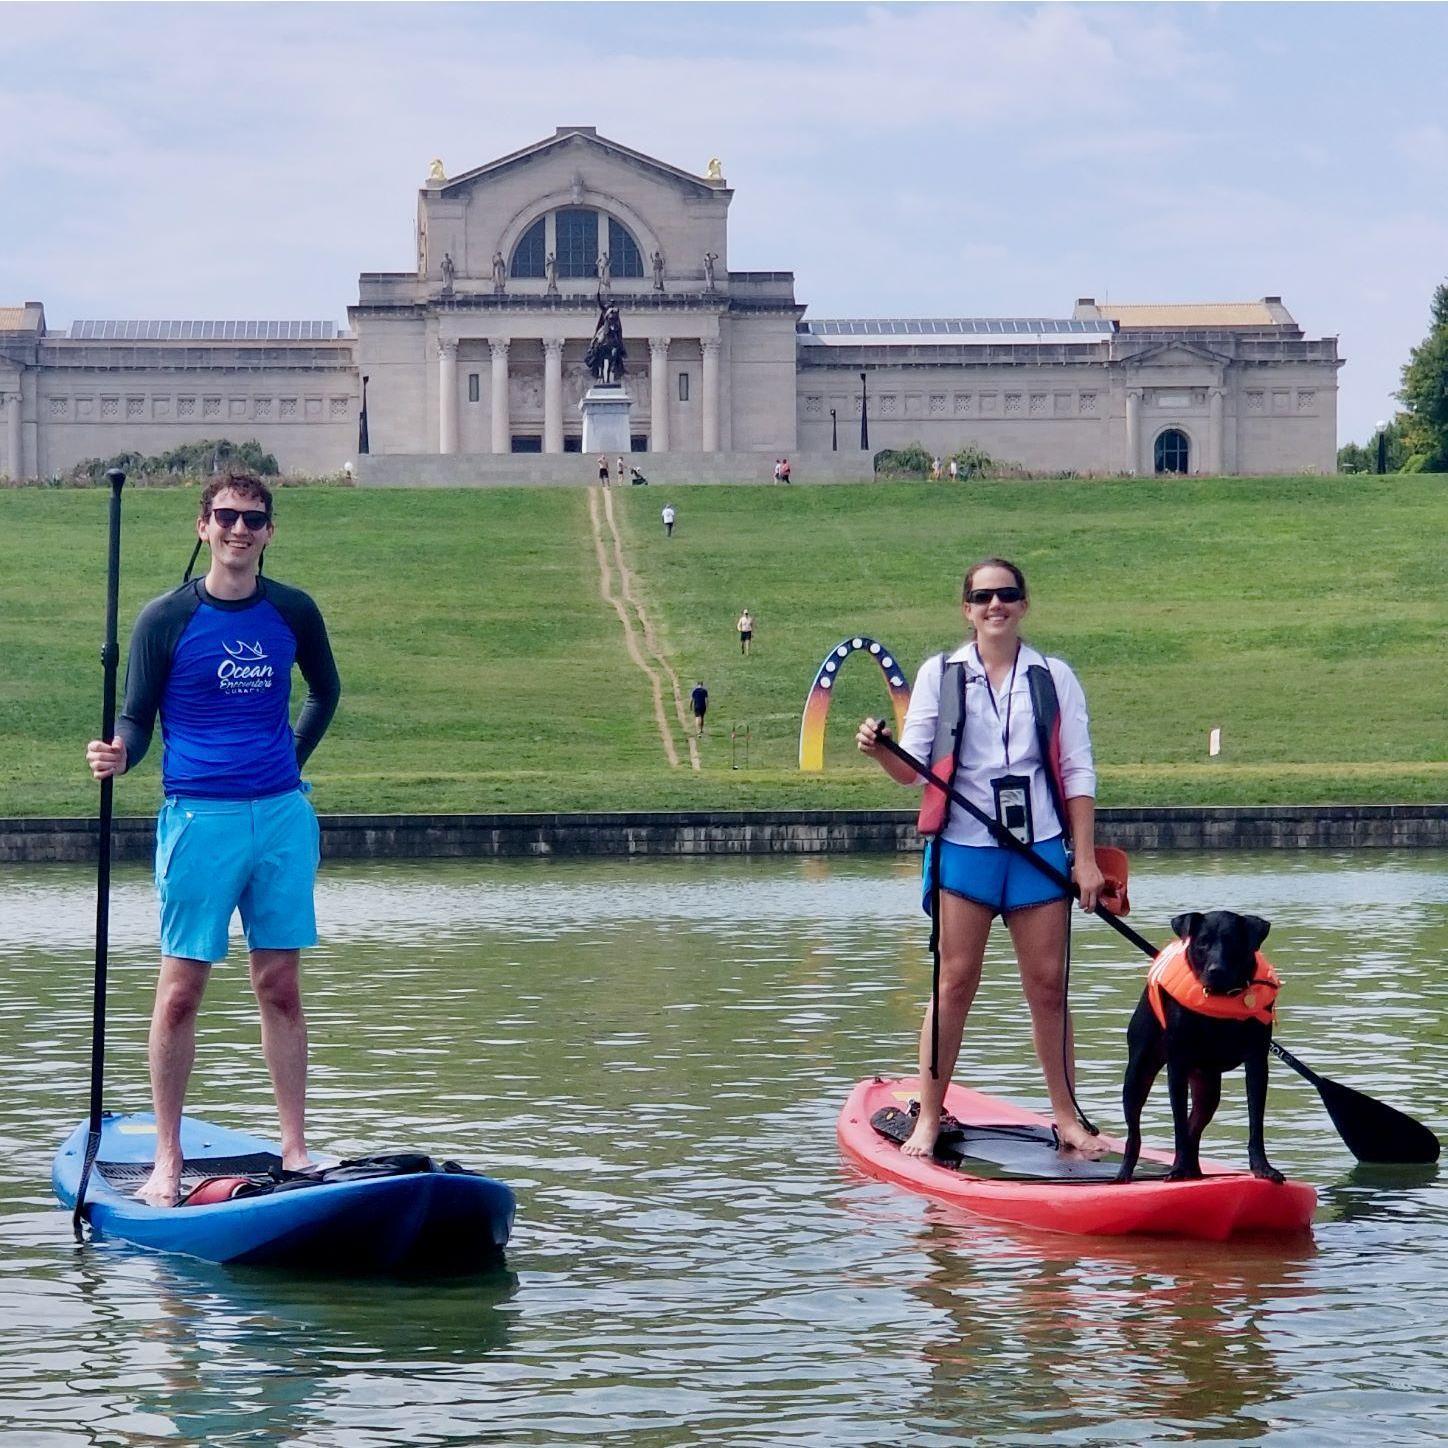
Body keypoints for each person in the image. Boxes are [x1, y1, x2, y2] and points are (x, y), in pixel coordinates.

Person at [84, 473, 341, 1206]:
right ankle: (166, 1159)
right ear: (203, 527)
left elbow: (326, 691)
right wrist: (118, 755)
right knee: (180, 994)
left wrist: (292, 761)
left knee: (281, 986)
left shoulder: (292, 610)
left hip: (282, 818)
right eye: (226, 517)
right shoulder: (165, 618)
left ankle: (295, 1149)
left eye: (253, 520)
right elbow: (136, 718)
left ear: (269, 532)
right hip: (200, 818)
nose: (239, 529)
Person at [855, 557, 1104, 1159]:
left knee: (1048, 986)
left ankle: (1067, 1118)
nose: (996, 605)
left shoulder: (1054, 675)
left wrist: (1087, 860)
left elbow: (1077, 770)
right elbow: (910, 773)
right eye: (984, 597)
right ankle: (929, 1118)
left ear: (1023, 605)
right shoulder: (941, 674)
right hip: (965, 851)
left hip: (1039, 850)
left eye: (1007, 595)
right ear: (966, 609)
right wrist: (879, 750)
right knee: (954, 982)